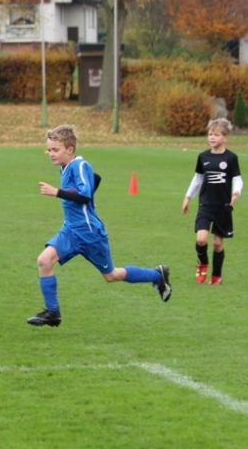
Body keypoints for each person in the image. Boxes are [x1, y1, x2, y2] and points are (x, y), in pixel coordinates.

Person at [28, 125, 171, 327]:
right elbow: (95, 179)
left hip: (90, 234)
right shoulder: (65, 166)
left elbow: (84, 193)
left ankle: (157, 275)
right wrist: (88, 199)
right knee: (44, 261)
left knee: (111, 275)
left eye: (55, 150)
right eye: (49, 149)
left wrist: (58, 192)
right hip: (70, 231)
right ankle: (53, 313)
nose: (51, 153)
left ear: (69, 149)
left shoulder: (79, 165)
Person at [182, 118, 242, 285]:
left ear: (225, 138)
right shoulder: (203, 157)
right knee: (201, 239)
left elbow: (238, 179)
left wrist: (236, 192)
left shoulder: (231, 158)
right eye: (210, 134)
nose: (212, 138)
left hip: (223, 206)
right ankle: (203, 263)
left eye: (216, 135)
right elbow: (197, 179)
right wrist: (188, 197)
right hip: (206, 205)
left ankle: (216, 276)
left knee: (217, 244)